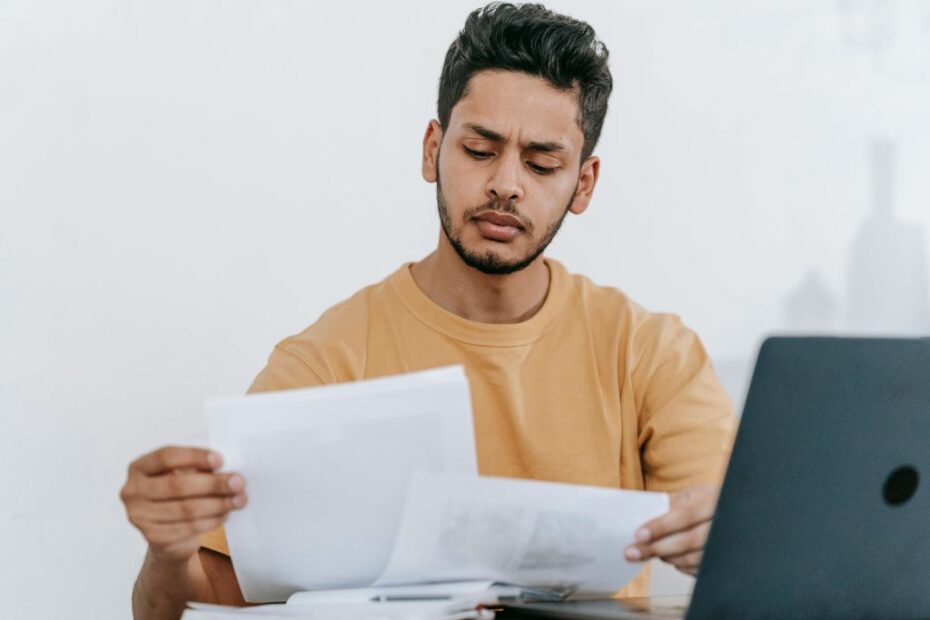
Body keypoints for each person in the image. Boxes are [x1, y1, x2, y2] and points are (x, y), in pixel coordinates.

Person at [119, 3, 736, 619]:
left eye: (542, 163)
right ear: (432, 150)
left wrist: (726, 540)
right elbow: (193, 603)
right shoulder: (327, 361)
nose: (507, 184)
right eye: (478, 149)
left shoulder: (651, 352)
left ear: (583, 184)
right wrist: (167, 553)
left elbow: (745, 555)